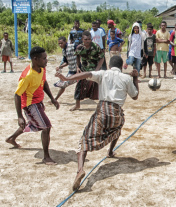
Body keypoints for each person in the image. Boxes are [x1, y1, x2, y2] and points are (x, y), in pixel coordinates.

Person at [55, 55, 139, 191]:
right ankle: (110, 151)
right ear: (121, 65)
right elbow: (135, 96)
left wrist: (67, 78)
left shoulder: (103, 74)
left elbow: (86, 74)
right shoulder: (126, 78)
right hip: (116, 112)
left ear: (110, 65)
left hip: (103, 110)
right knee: (117, 127)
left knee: (84, 139)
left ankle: (80, 170)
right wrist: (135, 78)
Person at [5, 46, 60, 165]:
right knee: (46, 127)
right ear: (35, 59)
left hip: (38, 102)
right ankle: (46, 157)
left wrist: (52, 98)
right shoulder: (27, 76)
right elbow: (17, 95)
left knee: (33, 123)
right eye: (44, 58)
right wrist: (19, 116)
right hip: (30, 104)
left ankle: (11, 138)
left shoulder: (42, 68)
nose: (46, 61)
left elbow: (44, 82)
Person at [71, 31, 105, 111]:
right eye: (86, 39)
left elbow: (102, 58)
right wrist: (77, 67)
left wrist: (97, 69)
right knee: (79, 87)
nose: (87, 41)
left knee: (100, 88)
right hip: (84, 70)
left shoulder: (96, 46)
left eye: (89, 39)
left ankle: (101, 106)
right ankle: (77, 105)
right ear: (82, 39)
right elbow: (77, 56)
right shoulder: (79, 47)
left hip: (95, 70)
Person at [53, 37, 78, 101]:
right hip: (72, 71)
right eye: (59, 44)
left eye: (61, 43)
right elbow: (66, 62)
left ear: (65, 42)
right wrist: (60, 66)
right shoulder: (63, 51)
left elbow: (80, 55)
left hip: (79, 70)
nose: (60, 45)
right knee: (63, 84)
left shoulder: (73, 46)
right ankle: (55, 99)